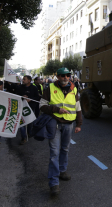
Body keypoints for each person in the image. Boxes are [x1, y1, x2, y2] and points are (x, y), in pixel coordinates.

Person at [39, 67, 82, 196]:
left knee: (65, 149)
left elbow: (78, 107)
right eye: (62, 76)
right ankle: (54, 183)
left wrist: (79, 124)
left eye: (67, 75)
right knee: (54, 153)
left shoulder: (74, 88)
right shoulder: (50, 88)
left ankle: (62, 171)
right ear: (58, 77)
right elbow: (42, 106)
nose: (65, 78)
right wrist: (57, 110)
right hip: (55, 125)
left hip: (68, 124)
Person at [16, 75, 41, 145]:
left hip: (31, 107)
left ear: (29, 80)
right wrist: (22, 97)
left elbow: (37, 97)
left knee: (29, 121)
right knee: (22, 122)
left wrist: (30, 99)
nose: (23, 80)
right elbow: (16, 96)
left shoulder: (34, 88)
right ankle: (23, 137)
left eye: (24, 79)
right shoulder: (19, 87)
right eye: (23, 79)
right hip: (21, 107)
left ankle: (29, 132)